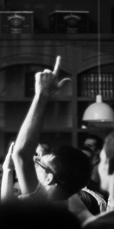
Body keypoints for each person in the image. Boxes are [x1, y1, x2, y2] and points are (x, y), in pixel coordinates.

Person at [12, 56, 91, 205]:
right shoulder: (66, 203)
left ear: (49, 178)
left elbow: (21, 154)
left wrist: (42, 94)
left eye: (39, 164)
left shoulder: (41, 205)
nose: (34, 162)